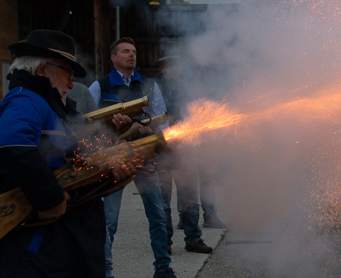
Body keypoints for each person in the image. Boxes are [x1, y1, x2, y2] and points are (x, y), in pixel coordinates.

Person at [0, 29, 135, 276]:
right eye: (68, 74)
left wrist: (112, 169)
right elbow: (12, 146)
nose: (72, 84)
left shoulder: (55, 107)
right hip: (41, 249)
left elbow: (76, 159)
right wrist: (49, 198)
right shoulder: (26, 100)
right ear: (43, 70)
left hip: (64, 243)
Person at [88, 37, 176, 278]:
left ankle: (163, 268)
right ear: (113, 57)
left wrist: (149, 130)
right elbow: (87, 122)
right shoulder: (99, 86)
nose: (132, 55)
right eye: (126, 51)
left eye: (134, 51)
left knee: (157, 215)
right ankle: (105, 272)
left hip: (144, 156)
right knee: (109, 222)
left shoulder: (150, 85)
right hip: (113, 161)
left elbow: (162, 121)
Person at [157, 55, 213, 255]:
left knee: (190, 198)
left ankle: (193, 239)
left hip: (184, 152)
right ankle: (165, 241)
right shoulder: (155, 89)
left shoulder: (187, 89)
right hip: (162, 152)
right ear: (162, 68)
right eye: (169, 65)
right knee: (162, 202)